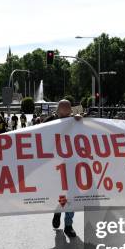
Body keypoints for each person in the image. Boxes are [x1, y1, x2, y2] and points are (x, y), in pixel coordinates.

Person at [46, 100, 82, 238]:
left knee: (72, 195)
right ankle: (57, 211)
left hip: (72, 165)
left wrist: (80, 119)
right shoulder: (49, 122)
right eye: (63, 114)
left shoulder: (75, 121)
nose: (66, 117)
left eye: (68, 114)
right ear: (57, 111)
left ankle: (68, 225)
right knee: (61, 194)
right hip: (56, 166)